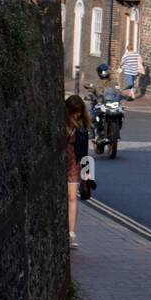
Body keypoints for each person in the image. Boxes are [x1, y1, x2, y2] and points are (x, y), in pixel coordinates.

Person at [66, 95, 90, 246]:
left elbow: (85, 151)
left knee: (73, 198)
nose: (77, 115)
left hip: (75, 165)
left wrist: (88, 173)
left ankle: (71, 233)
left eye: (79, 112)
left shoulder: (82, 125)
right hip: (61, 163)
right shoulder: (61, 122)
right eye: (74, 112)